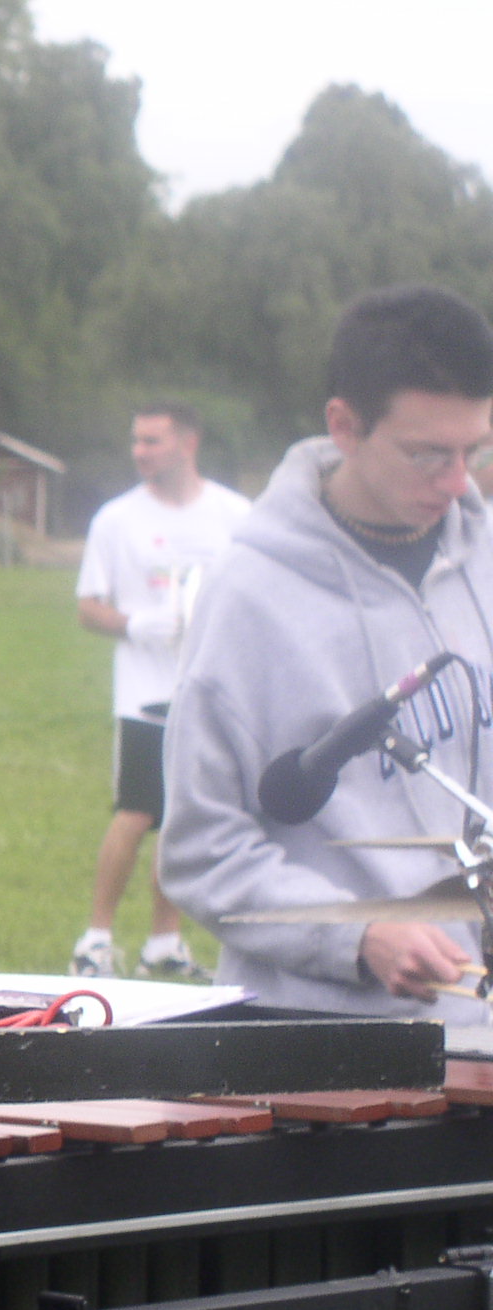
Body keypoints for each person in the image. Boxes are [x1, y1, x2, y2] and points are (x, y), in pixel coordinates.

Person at [162, 283, 493, 1020]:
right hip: (314, 1039)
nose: (458, 481)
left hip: (476, 1029)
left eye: (474, 450)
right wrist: (360, 936)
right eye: (427, 455)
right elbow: (200, 847)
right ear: (344, 425)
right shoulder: (249, 596)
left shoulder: (486, 556)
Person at [70, 404, 252, 980]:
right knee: (137, 811)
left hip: (208, 693)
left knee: (180, 817)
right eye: (136, 440)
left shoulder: (234, 514)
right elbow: (87, 607)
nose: (140, 451)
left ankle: (164, 943)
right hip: (145, 695)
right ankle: (96, 938)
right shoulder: (116, 519)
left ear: (188, 443)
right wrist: (134, 623)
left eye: (152, 440)